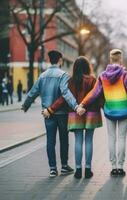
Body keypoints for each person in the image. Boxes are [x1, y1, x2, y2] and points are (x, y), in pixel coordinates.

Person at [77, 49, 127, 177]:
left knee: (111, 139)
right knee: (121, 138)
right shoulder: (124, 75)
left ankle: (113, 167)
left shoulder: (103, 76)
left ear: (110, 59)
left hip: (109, 111)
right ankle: (120, 166)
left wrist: (82, 104)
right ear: (120, 60)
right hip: (124, 111)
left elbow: (94, 93)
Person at [22, 50, 79, 178]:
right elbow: (65, 93)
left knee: (50, 140)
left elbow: (33, 91)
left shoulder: (42, 76)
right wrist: (75, 105)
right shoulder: (64, 75)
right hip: (62, 113)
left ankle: (53, 169)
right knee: (64, 139)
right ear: (60, 60)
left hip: (47, 113)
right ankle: (64, 166)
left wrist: (26, 104)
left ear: (49, 60)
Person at [44, 56, 103, 179]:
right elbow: (98, 96)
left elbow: (64, 98)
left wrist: (50, 109)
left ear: (75, 67)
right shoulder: (92, 80)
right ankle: (87, 169)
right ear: (87, 67)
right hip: (91, 113)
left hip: (75, 114)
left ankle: (77, 170)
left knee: (78, 141)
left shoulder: (71, 81)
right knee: (89, 141)